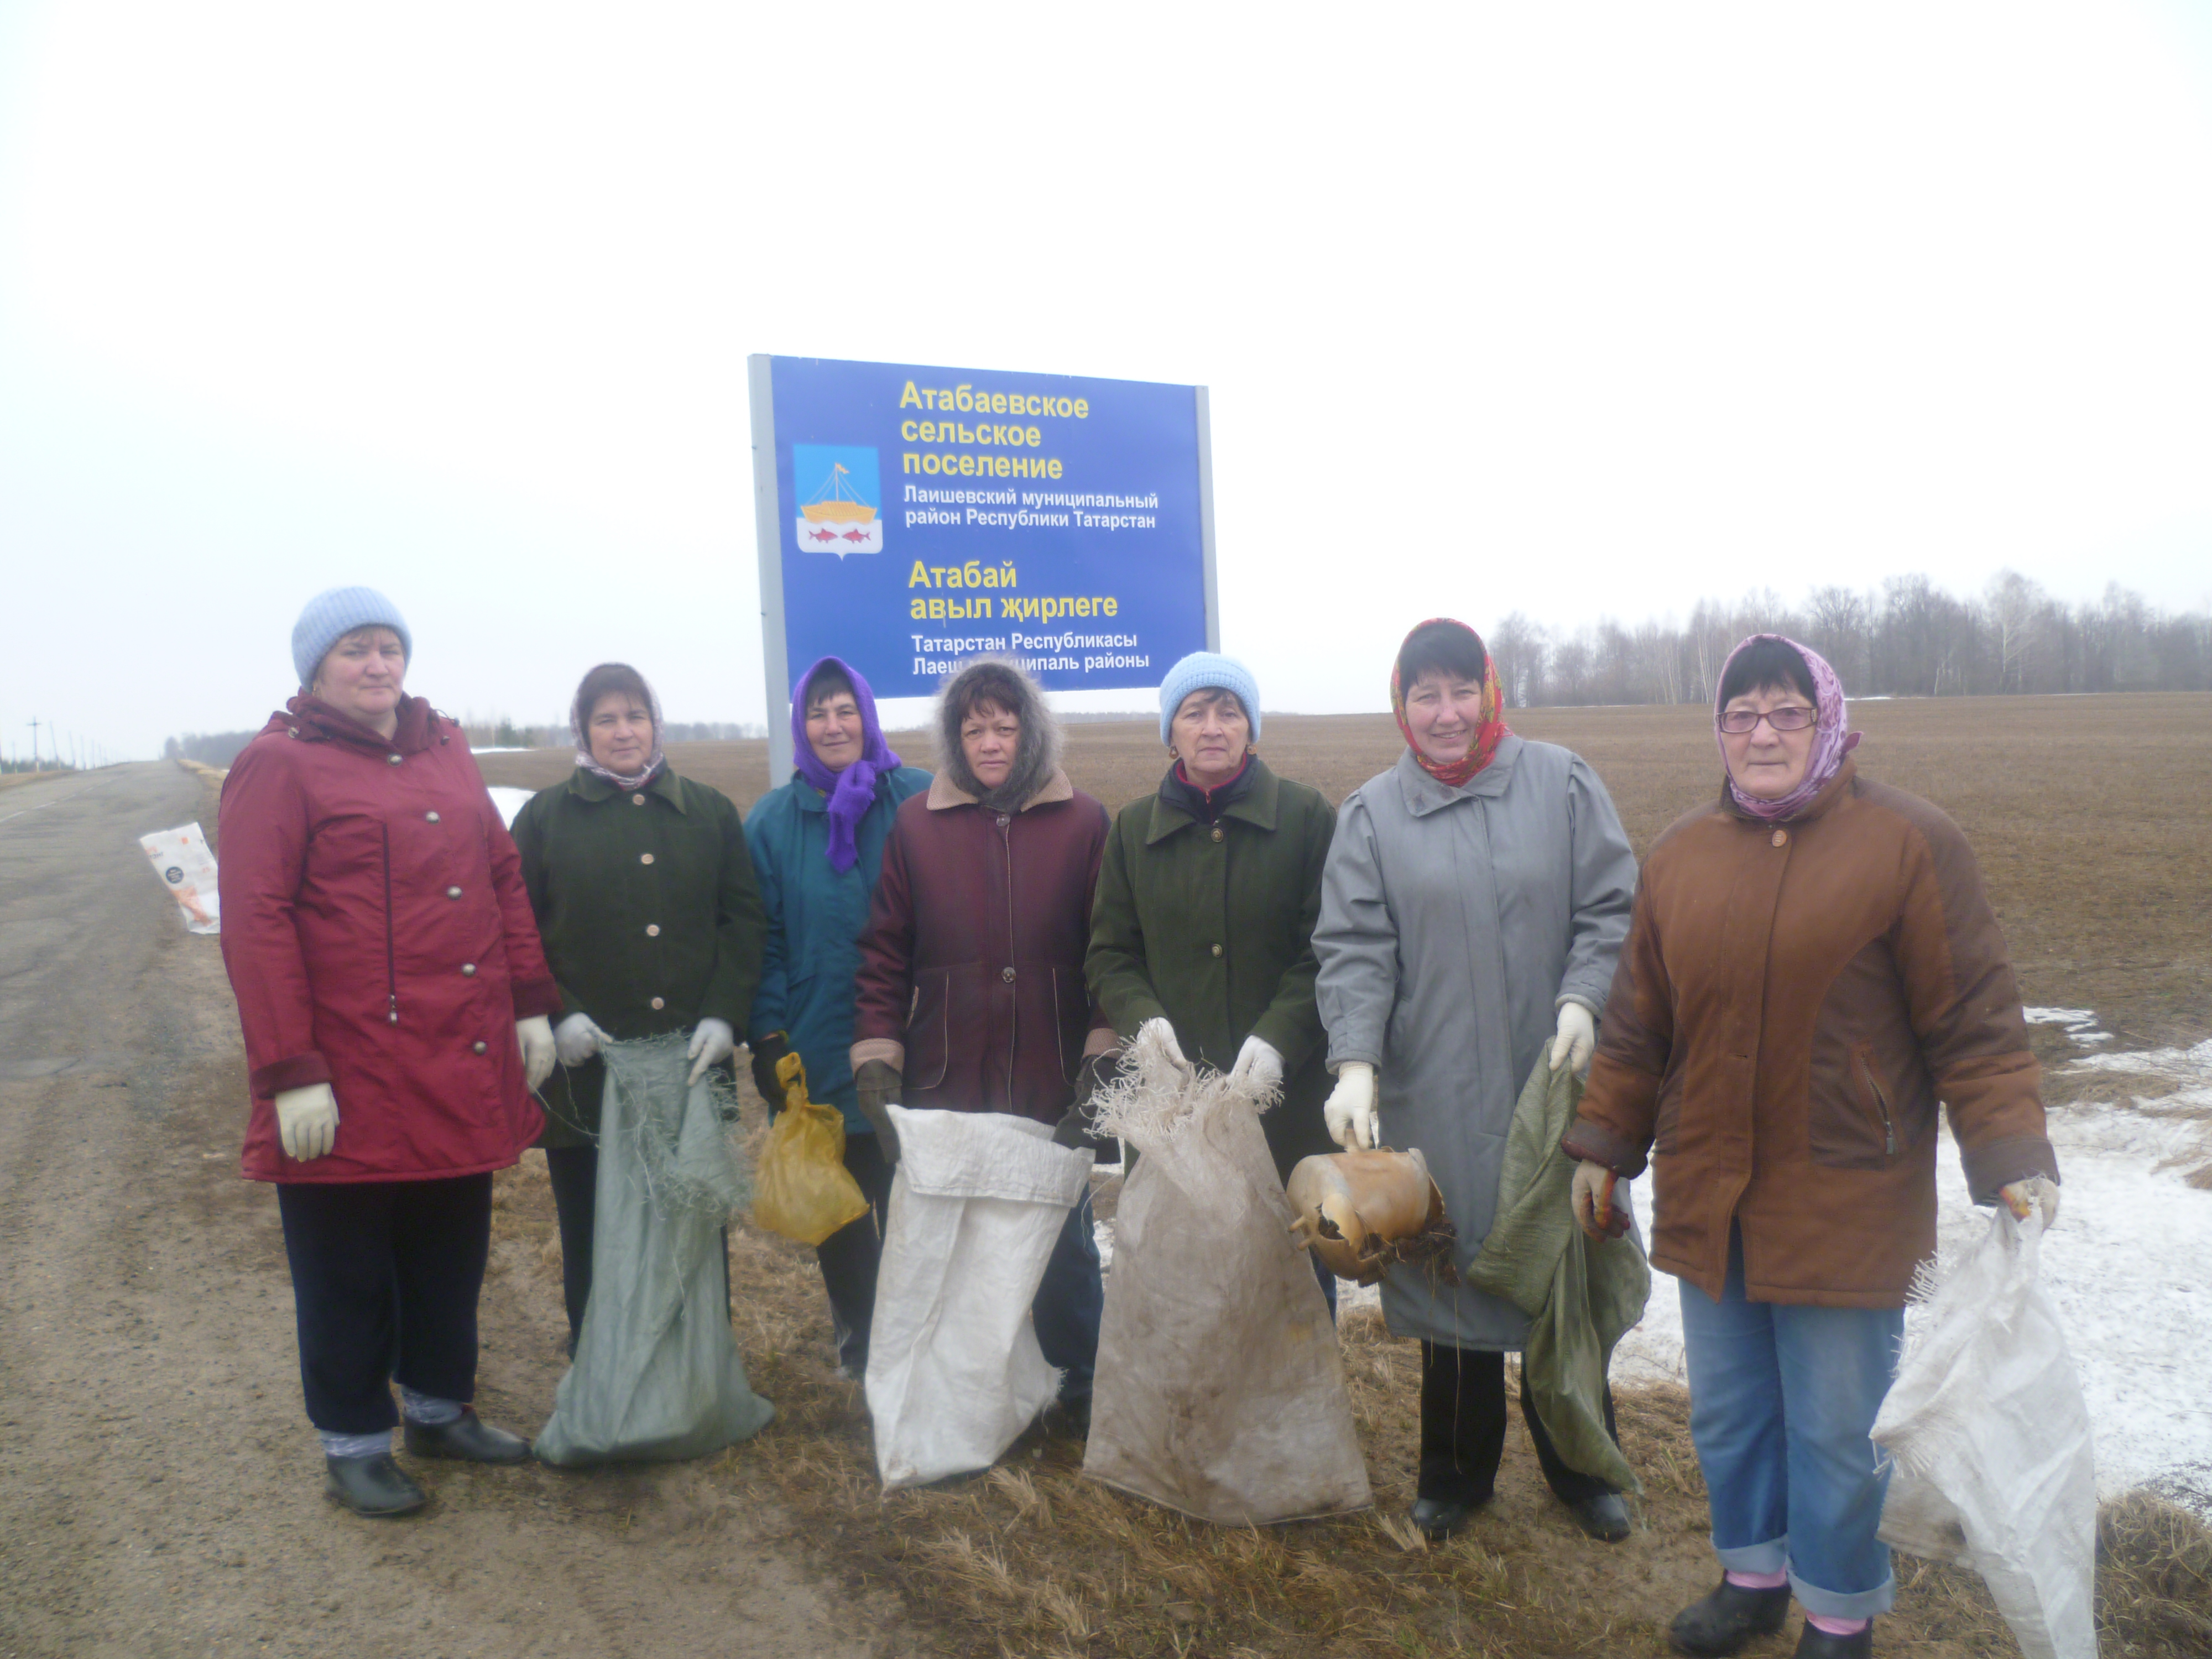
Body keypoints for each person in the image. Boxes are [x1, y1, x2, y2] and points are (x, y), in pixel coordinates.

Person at [1561, 635, 2060, 1659]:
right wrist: (1605, 1146)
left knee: (1838, 1430)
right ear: (1720, 732)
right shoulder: (1683, 855)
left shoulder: (1910, 845)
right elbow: (1638, 1028)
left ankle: (1837, 1614)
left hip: (1846, 1193)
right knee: (1734, 1414)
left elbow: (1973, 1017)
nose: (1762, 733)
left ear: (1827, 718)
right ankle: (1752, 1578)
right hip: (1713, 1192)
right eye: (1741, 715)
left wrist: (2009, 1154)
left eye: (1786, 711)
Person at [218, 587, 559, 1517]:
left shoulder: (446, 750)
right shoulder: (277, 766)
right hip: (349, 1071)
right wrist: (290, 1072)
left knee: (449, 1254)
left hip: (458, 1053)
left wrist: (530, 1002)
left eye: (388, 648)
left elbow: (501, 875)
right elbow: (255, 924)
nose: (376, 666)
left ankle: (441, 1411)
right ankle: (354, 1441)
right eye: (355, 651)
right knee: (347, 1269)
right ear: (316, 669)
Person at [1313, 618, 1640, 1544]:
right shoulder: (1372, 815)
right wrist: (1357, 1060)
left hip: (1550, 1087)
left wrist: (1584, 1000)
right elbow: (1354, 949)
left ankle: (1583, 1466)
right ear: (1402, 705)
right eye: (1426, 694)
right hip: (1435, 1090)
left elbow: (1612, 910)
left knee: (1554, 1269)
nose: (1445, 712)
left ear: (1489, 693)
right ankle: (1455, 1473)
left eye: (1461, 690)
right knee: (1450, 1277)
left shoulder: (1562, 782)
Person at [849, 656, 1114, 1429]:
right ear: (954, 737)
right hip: (947, 1075)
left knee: (1061, 1244)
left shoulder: (1085, 822)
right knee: (962, 1250)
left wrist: (1099, 1060)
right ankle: (973, 1396)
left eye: (1005, 725)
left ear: (1030, 729)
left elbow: (1108, 953)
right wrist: (877, 1062)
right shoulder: (915, 827)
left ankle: (1082, 1382)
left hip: (1049, 1075)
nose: (990, 741)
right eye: (974, 727)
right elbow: (884, 954)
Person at [509, 663, 766, 1355]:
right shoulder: (544, 818)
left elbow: (741, 923)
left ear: (656, 723)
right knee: (593, 1218)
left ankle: (698, 1356)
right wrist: (554, 1012)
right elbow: (515, 927)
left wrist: (724, 1014)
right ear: (583, 731)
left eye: (635, 716)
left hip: (689, 1063)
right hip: (586, 1069)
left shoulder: (709, 811)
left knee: (691, 1208)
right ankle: (600, 1357)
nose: (623, 732)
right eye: (606, 719)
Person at [1084, 651, 1339, 1296]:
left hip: (1285, 1109)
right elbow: (1110, 953)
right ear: (1171, 732)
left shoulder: (1307, 819)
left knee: (1294, 1289)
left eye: (1229, 711)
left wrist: (1282, 1035)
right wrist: (1141, 1022)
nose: (1213, 727)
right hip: (1175, 1114)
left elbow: (1331, 949)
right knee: (1185, 1293)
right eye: (1194, 713)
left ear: (1250, 728)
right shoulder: (1133, 831)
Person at [744, 658, 930, 1378]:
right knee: (842, 1215)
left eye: (844, 709)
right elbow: (762, 943)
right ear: (800, 725)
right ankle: (863, 1340)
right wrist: (766, 1035)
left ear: (867, 716)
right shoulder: (771, 821)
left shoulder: (917, 800)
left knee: (914, 1205)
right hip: (818, 1048)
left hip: (913, 1046)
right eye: (818, 713)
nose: (833, 726)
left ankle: (919, 1348)